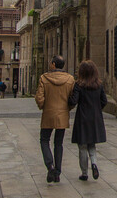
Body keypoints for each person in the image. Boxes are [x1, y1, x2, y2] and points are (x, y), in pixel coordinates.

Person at [35, 55, 75, 183]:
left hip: (48, 113)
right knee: (58, 143)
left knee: (44, 140)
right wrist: (66, 108)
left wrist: (43, 107)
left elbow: (39, 98)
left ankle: (50, 165)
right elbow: (73, 99)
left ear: (53, 64)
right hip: (62, 115)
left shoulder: (44, 78)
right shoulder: (70, 79)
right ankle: (57, 173)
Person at [68, 59, 107, 181]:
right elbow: (104, 101)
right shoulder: (98, 85)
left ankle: (84, 172)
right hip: (95, 118)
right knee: (92, 145)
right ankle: (94, 163)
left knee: (82, 146)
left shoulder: (79, 85)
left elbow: (73, 101)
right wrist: (97, 109)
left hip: (83, 118)